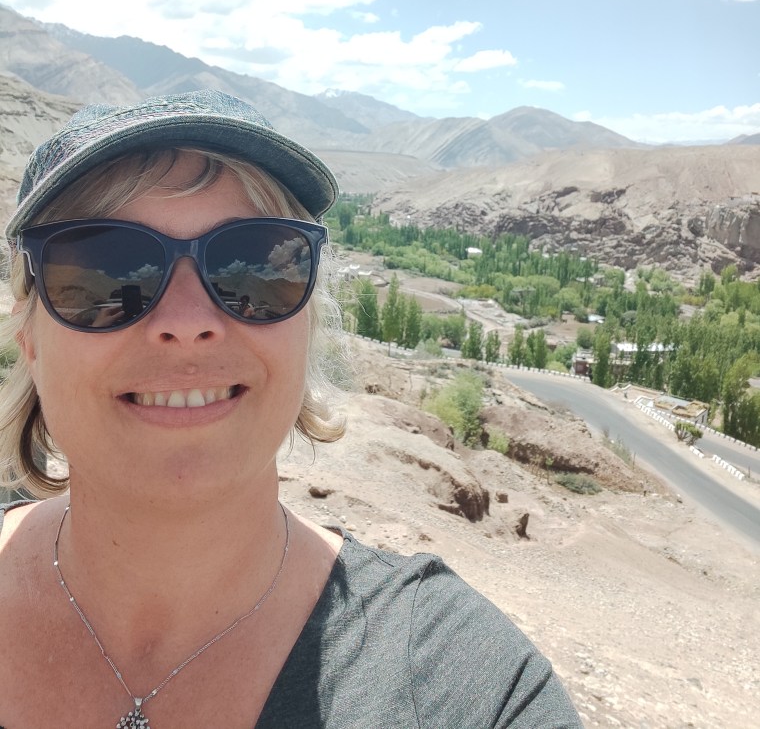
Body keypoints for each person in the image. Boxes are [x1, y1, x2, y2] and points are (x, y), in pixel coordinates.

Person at [0, 91, 583, 729]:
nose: (188, 323)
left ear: (307, 326)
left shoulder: (473, 689)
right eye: (107, 271)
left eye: (253, 268)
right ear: (28, 336)